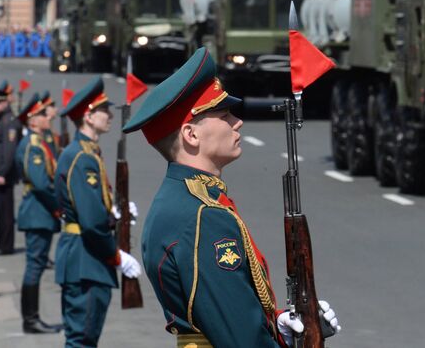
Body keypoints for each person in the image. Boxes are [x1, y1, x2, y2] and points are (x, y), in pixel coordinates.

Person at [123, 48, 340, 347]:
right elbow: (241, 339)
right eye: (223, 115)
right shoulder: (204, 215)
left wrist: (277, 325)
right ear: (191, 135)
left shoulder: (186, 201)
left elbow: (226, 312)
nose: (237, 122)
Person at [54, 77, 142, 347]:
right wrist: (117, 257)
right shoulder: (83, 158)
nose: (110, 115)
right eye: (104, 110)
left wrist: (115, 215)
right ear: (89, 116)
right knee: (82, 340)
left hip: (83, 257)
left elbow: (89, 207)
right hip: (87, 260)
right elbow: (91, 223)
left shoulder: (86, 153)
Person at [14, 93, 63, 333]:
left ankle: (32, 319)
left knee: (37, 264)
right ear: (33, 120)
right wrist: (57, 206)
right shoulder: (32, 144)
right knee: (35, 265)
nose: (47, 117)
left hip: (39, 211)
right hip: (38, 211)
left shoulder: (39, 141)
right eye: (42, 114)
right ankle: (30, 320)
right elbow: (41, 183)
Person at [0, 80, 21, 256]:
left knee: (5, 212)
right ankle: (0, 243)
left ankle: (6, 246)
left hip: (2, 176)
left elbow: (9, 151)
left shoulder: (9, 122)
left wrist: (2, 173)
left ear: (6, 102)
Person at [39, 91, 61, 155]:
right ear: (46, 110)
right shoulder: (44, 132)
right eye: (53, 106)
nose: (56, 109)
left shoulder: (50, 131)